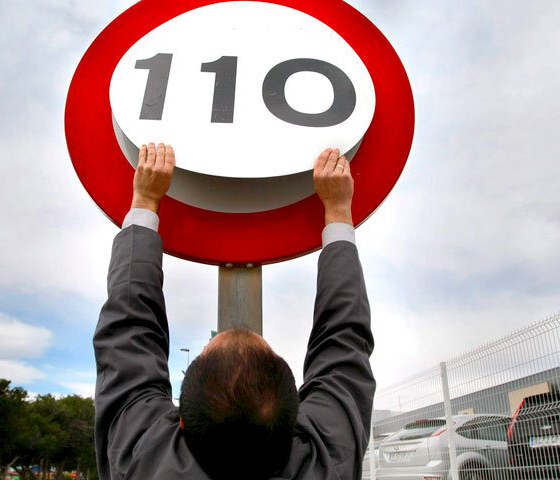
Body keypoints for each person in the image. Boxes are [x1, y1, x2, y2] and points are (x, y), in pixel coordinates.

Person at [93, 143, 375, 479]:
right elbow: (344, 339)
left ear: (182, 422)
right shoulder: (329, 459)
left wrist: (144, 200)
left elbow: (128, 327)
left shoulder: (140, 460)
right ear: (296, 418)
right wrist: (339, 209)